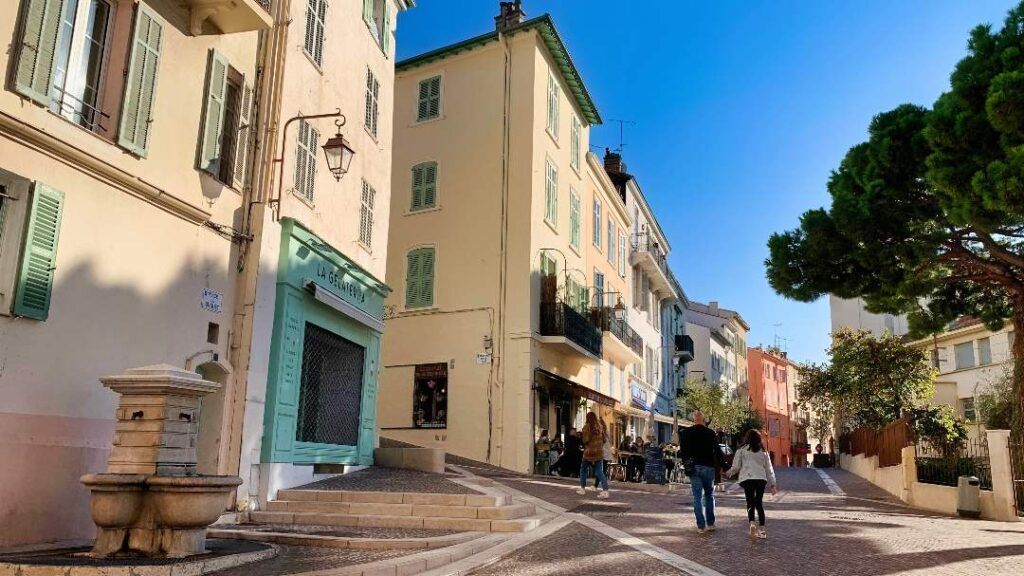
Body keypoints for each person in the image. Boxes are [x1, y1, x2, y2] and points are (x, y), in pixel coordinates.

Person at [726, 429, 778, 539]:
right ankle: (762, 530)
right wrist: (772, 484)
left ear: (747, 438)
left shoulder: (742, 450)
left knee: (750, 502)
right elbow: (769, 469)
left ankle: (752, 523)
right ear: (759, 439)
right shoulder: (763, 451)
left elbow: (736, 467)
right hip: (760, 479)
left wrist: (728, 473)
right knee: (759, 503)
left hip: (747, 479)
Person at [678, 411, 725, 533]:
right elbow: (717, 450)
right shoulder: (710, 433)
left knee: (697, 497)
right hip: (708, 466)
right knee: (709, 495)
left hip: (694, 467)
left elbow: (683, 452)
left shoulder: (686, 433)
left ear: (694, 420)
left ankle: (701, 526)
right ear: (703, 420)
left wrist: (686, 465)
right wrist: (724, 465)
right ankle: (710, 523)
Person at [576, 412, 610, 499]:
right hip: (599, 452)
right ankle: (605, 490)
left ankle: (583, 489)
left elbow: (585, 441)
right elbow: (605, 440)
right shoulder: (600, 427)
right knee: (599, 472)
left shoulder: (586, 427)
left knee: (583, 470)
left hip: (589, 452)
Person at [595, 421, 613, 488]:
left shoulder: (601, 433)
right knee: (602, 470)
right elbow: (610, 442)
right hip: (604, 453)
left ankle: (597, 485)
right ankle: (598, 485)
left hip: (603, 452)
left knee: (601, 470)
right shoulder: (606, 432)